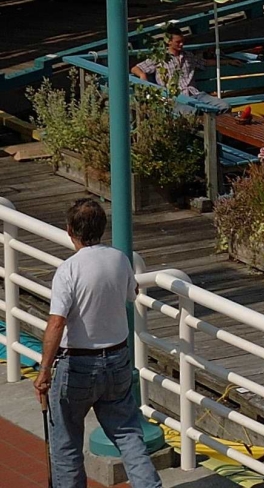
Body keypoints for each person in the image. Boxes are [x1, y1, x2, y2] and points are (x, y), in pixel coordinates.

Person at [36, 198, 164, 488]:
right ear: (102, 228)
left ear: (70, 230)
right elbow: (133, 292)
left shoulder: (68, 270)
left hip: (76, 365)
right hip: (117, 359)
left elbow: (57, 322)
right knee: (128, 434)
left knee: (66, 442)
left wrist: (44, 370)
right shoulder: (119, 259)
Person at [130, 31, 203, 96]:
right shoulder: (160, 57)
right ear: (169, 42)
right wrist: (142, 75)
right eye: (178, 42)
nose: (181, 44)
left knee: (213, 103)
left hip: (195, 93)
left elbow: (204, 62)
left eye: (183, 41)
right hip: (176, 97)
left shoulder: (188, 56)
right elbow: (135, 68)